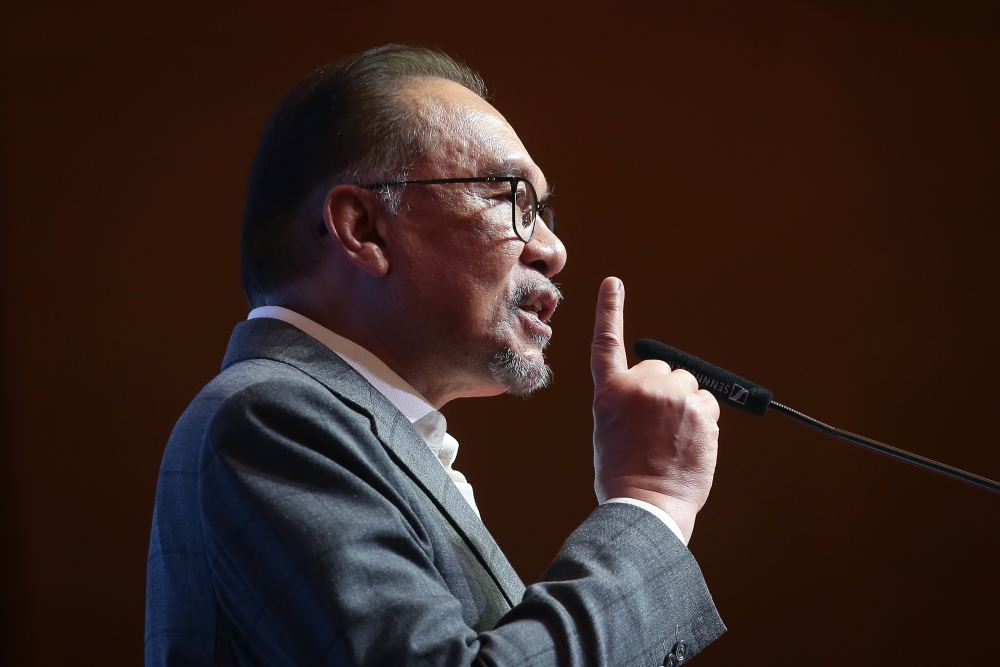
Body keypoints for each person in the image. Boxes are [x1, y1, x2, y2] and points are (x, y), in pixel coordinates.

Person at [145, 44, 725, 666]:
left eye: (543, 210)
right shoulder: (270, 414)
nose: (553, 251)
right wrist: (650, 501)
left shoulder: (341, 424)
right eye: (512, 199)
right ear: (363, 229)